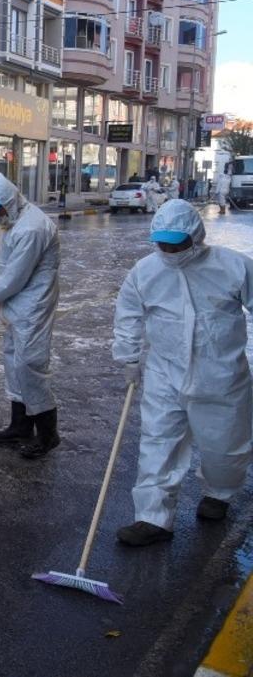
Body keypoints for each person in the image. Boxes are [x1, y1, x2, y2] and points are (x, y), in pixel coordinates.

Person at [112, 200, 253, 546]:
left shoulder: (233, 267)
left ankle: (219, 493)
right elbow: (128, 313)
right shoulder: (146, 271)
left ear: (196, 237)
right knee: (157, 441)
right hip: (165, 372)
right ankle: (152, 517)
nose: (171, 252)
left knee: (223, 445)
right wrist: (129, 357)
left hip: (220, 375)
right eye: (164, 244)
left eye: (178, 244)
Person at [0, 173, 61, 458]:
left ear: (7, 204)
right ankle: (20, 426)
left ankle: (47, 434)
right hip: (14, 306)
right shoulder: (12, 217)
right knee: (13, 362)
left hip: (32, 306)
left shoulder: (32, 228)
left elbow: (12, 280)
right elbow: (1, 234)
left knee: (29, 365)